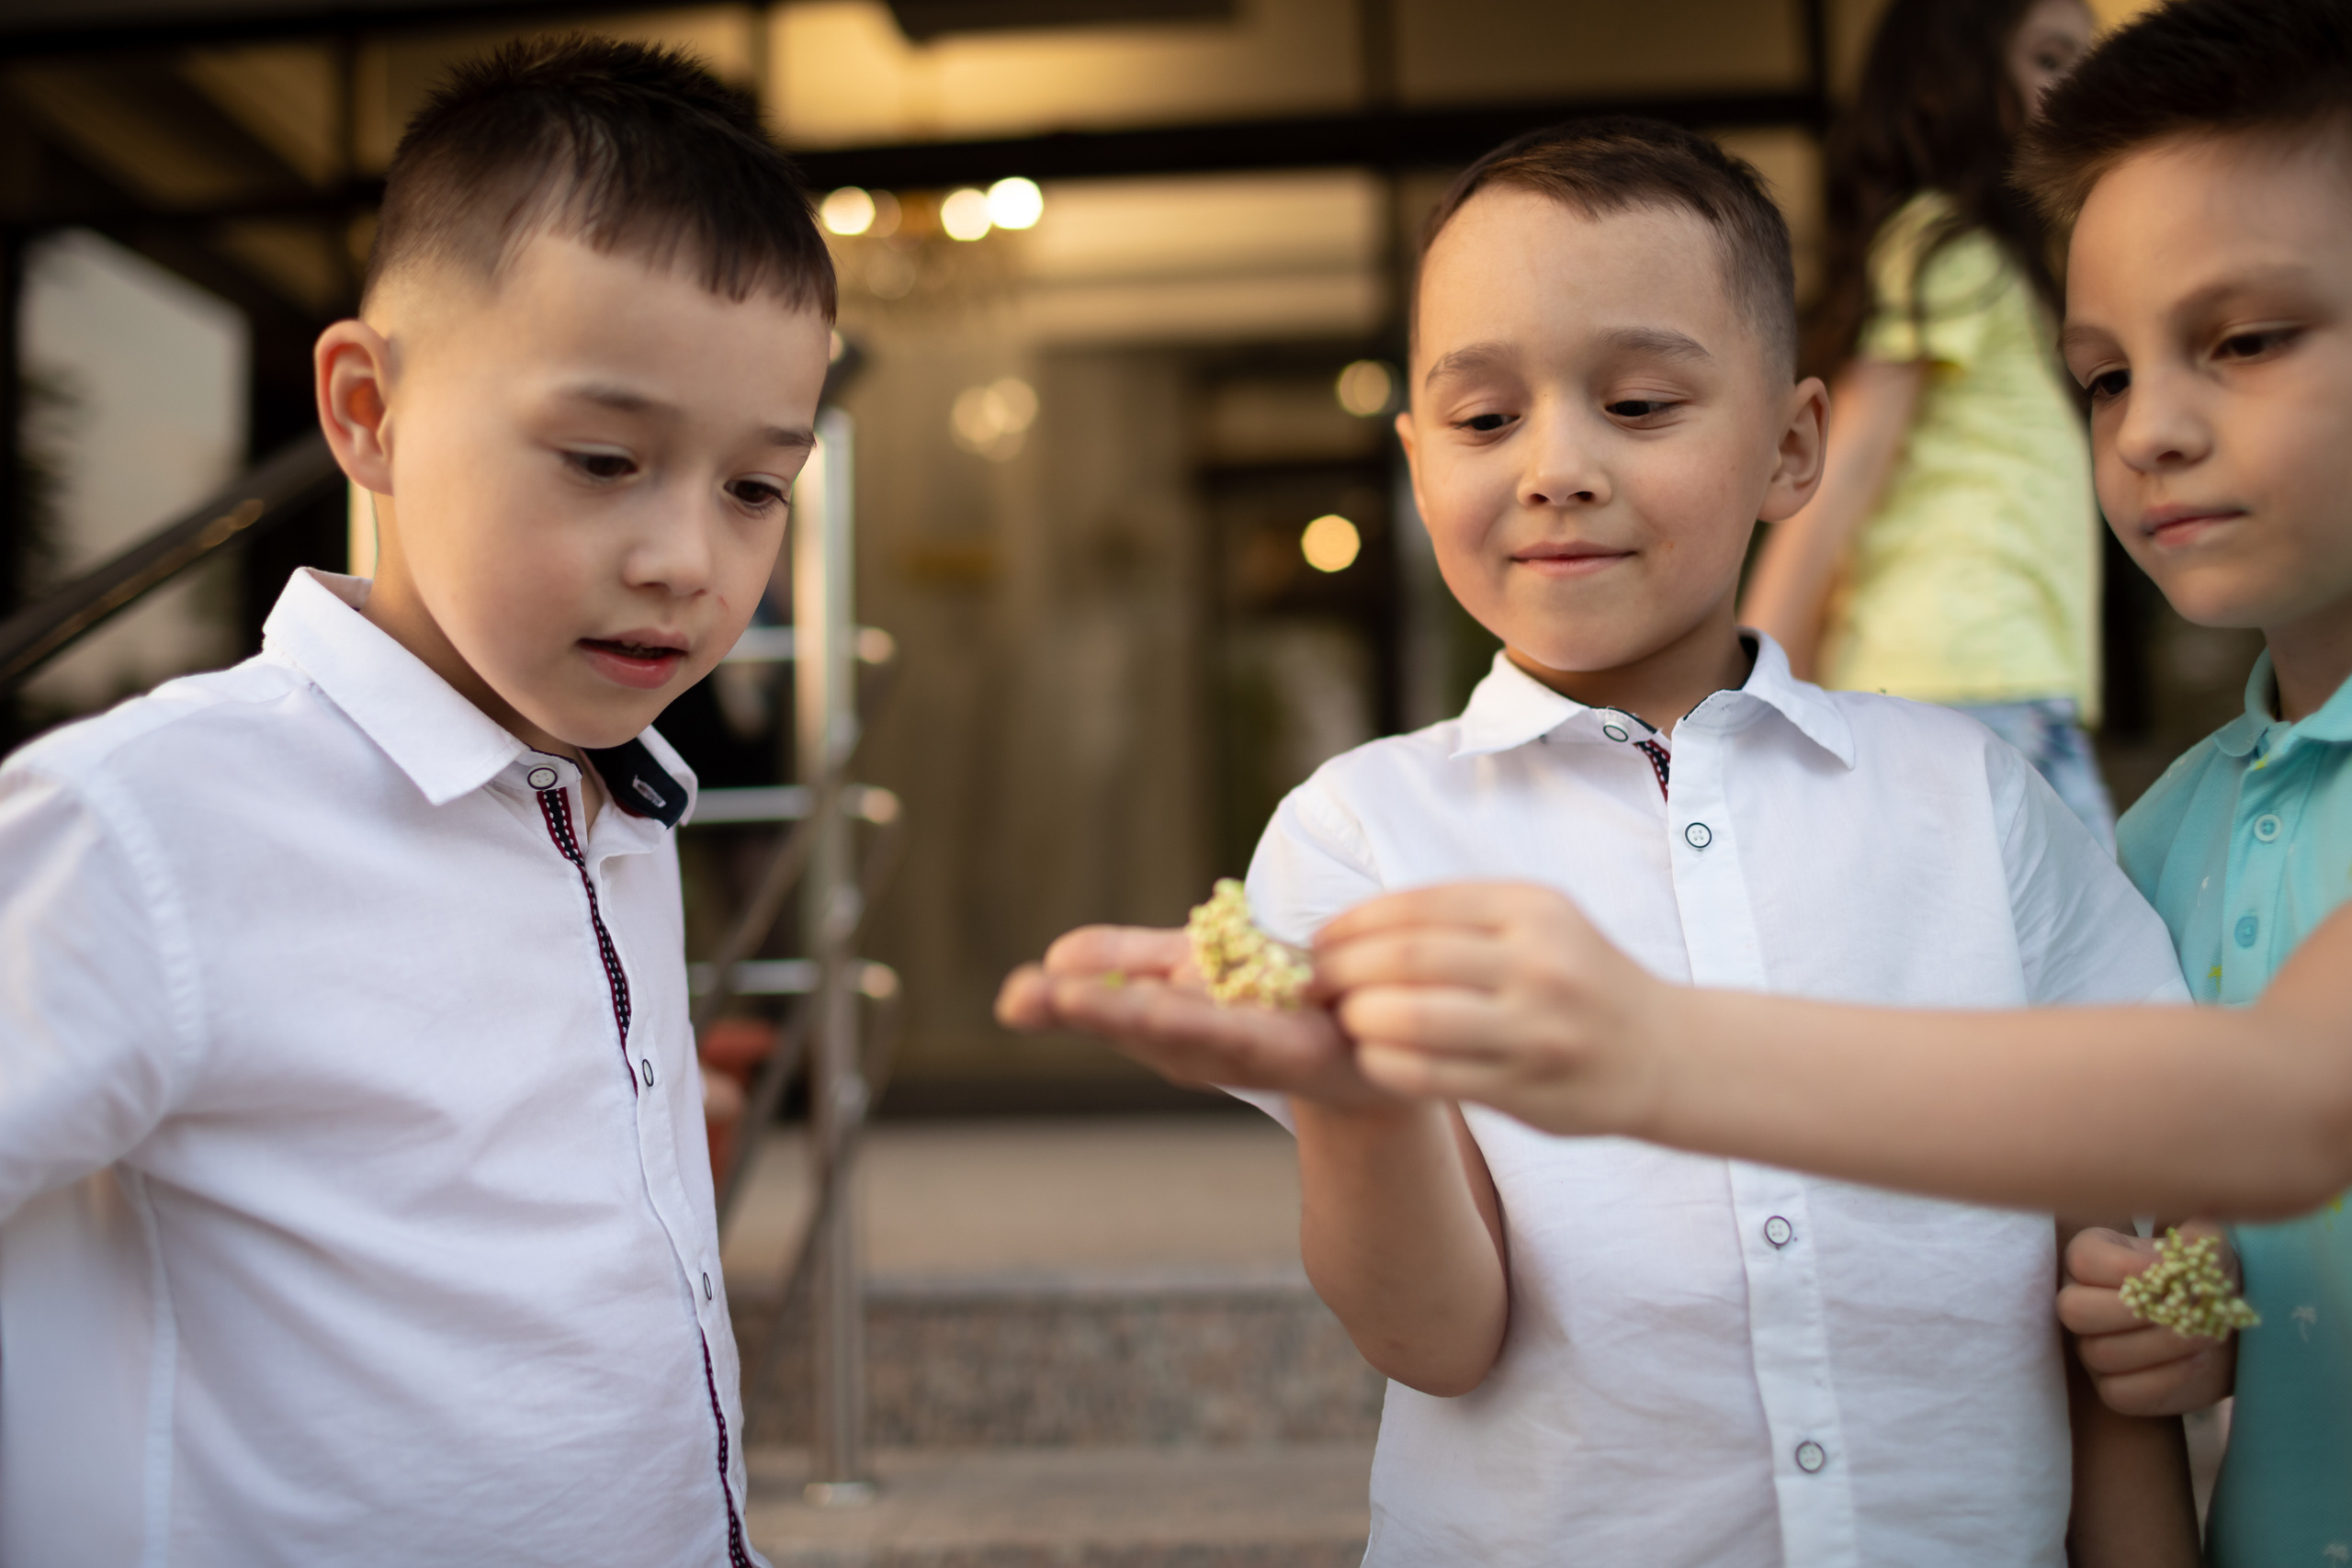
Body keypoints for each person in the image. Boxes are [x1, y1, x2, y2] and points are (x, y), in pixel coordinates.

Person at [999, 119, 2198, 1564]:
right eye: (1485, 419)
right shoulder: (1363, 832)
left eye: (1637, 404)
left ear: (1793, 445)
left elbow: (2117, 1238)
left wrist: (2172, 1324)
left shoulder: (1973, 797)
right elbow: (1440, 1334)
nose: (1556, 466)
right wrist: (1353, 1101)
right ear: (1415, 459)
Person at [1293, 4, 2352, 1560]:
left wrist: (1644, 1047)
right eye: (2102, 378)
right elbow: (2146, 1251)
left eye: (2246, 337)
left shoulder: (1981, 805)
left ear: (1793, 445)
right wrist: (2183, 1307)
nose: (2150, 430)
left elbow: (2259, 1119)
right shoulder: (2178, 827)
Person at [0, 38, 833, 1567]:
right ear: (367, 409)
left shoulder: (615, 802)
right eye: (604, 457)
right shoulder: (149, 819)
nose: (686, 559)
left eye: (755, 485)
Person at [1741, 0, 2113, 843]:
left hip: (1996, 678)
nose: (2080, 87)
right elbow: (1847, 471)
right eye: (2051, 58)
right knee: (2089, 968)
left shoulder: (2001, 262)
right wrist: (1745, 694)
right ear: (1952, 79)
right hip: (1965, 675)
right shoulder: (1944, 246)